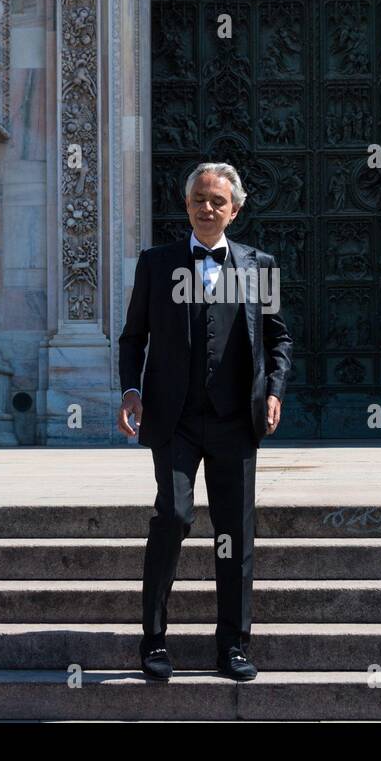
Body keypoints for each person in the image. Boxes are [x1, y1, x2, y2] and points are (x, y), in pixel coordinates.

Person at [117, 162, 292, 682]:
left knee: (234, 534)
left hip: (236, 421)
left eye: (217, 200)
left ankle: (233, 646)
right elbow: (133, 337)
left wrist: (275, 392)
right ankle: (153, 640)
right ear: (187, 204)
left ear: (235, 209)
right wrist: (131, 391)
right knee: (172, 517)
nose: (207, 208)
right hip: (174, 419)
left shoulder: (260, 266)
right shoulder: (156, 263)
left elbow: (279, 338)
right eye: (199, 199)